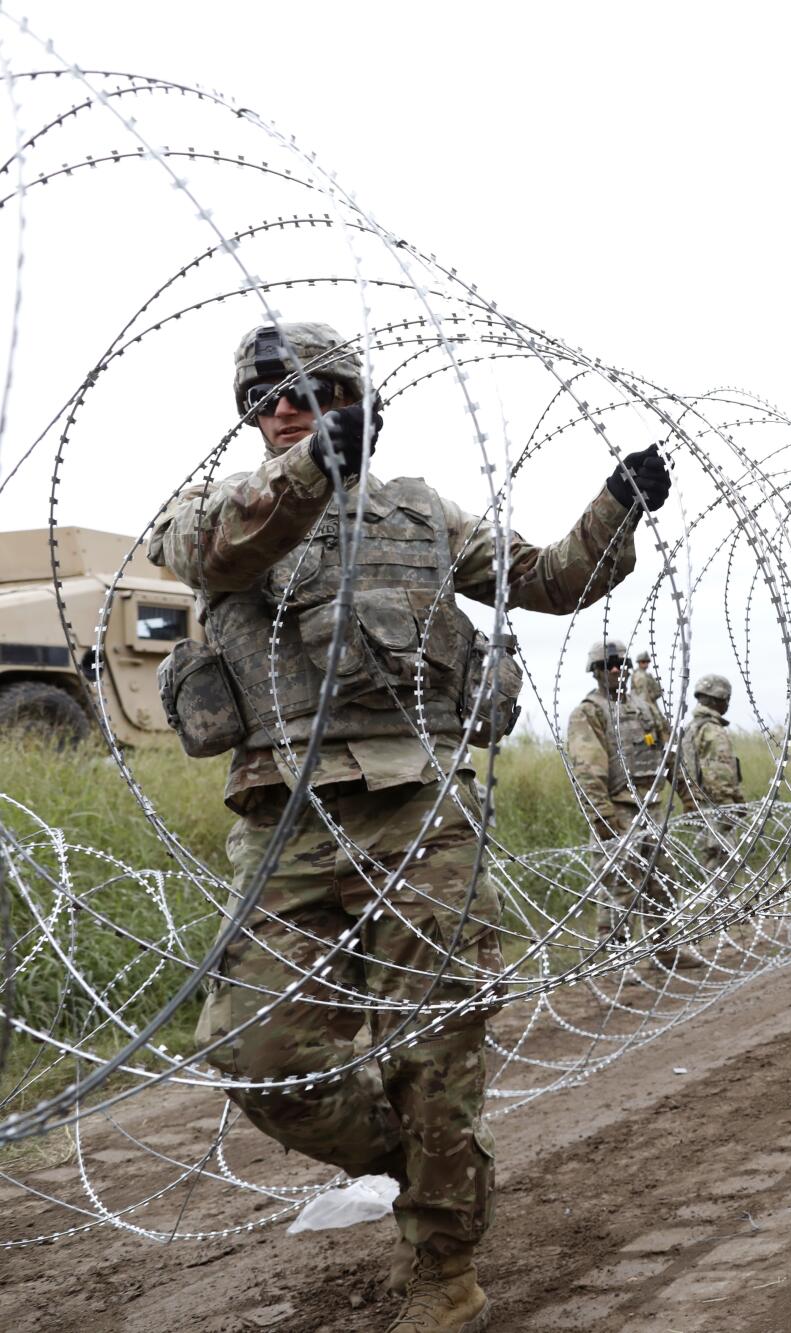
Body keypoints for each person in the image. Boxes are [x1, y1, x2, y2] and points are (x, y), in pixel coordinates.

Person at [151, 321, 668, 1332]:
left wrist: (616, 505)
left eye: (310, 387)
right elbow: (219, 551)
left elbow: (554, 579)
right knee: (254, 1050)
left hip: (417, 810)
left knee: (436, 1045)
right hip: (286, 823)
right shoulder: (216, 509)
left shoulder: (422, 516)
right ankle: (423, 1159)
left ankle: (443, 1269)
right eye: (264, 392)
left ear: (352, 393)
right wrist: (307, 473)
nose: (284, 404)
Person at [566, 638, 681, 967]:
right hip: (618, 810)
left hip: (652, 806)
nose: (616, 669)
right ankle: (618, 958)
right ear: (596, 672)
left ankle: (664, 949)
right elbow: (587, 769)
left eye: (620, 663)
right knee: (619, 886)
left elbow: (668, 751)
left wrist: (687, 792)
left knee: (663, 881)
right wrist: (602, 817)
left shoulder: (644, 707)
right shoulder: (589, 712)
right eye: (608, 665)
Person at [674, 673, 743, 873]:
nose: (727, 705)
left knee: (710, 859)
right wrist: (733, 806)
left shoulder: (690, 729)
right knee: (723, 861)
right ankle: (721, 903)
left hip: (698, 805)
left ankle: (715, 901)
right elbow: (720, 774)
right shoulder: (712, 730)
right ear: (718, 699)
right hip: (716, 806)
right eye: (726, 700)